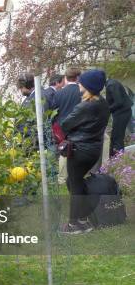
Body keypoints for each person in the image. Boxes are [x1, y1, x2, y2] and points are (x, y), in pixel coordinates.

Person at [59, 69, 110, 234]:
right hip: (93, 150)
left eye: (82, 82)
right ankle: (84, 219)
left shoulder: (85, 106)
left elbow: (65, 124)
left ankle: (74, 224)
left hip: (79, 150)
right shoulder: (102, 103)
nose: (79, 83)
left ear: (88, 86)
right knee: (74, 182)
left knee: (75, 185)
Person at [51, 67, 82, 184]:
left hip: (63, 126)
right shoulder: (82, 91)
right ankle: (77, 175)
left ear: (66, 78)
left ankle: (62, 179)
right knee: (79, 150)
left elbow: (54, 111)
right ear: (78, 77)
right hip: (79, 125)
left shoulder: (58, 93)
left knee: (64, 151)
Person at [105, 77, 133, 156]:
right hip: (122, 113)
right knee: (115, 137)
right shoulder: (111, 83)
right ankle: (113, 159)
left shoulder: (111, 85)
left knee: (117, 138)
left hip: (122, 113)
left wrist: (107, 110)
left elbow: (119, 102)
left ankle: (117, 159)